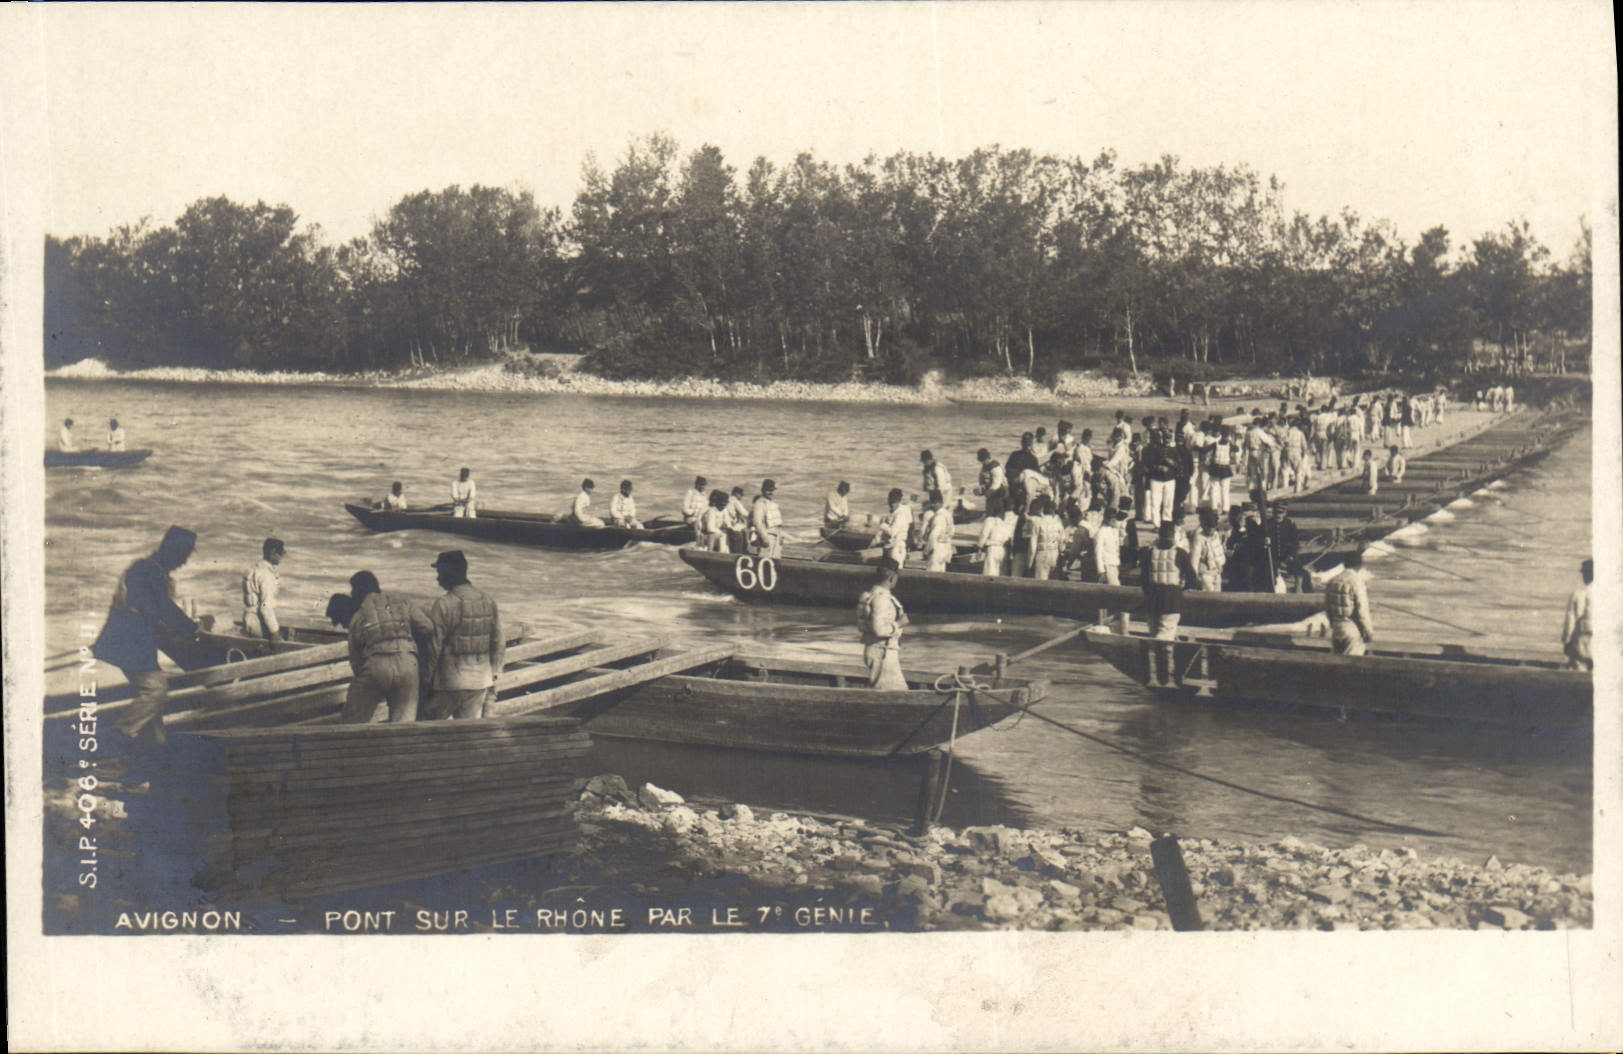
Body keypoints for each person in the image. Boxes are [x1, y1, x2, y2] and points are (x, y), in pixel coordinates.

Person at [91, 526, 204, 751]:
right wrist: (191, 629)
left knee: (153, 694)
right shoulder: (148, 571)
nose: (184, 562)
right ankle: (119, 736)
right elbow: (163, 608)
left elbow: (155, 610)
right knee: (156, 690)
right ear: (172, 551)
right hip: (127, 643)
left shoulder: (150, 569)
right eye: (183, 556)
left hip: (134, 642)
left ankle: (155, 747)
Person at [419, 550, 505, 720]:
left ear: (450, 572)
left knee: (427, 727)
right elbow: (498, 641)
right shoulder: (488, 601)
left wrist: (426, 680)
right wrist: (494, 673)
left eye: (440, 572)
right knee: (467, 733)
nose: (437, 578)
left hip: (449, 683)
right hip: (480, 681)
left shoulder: (444, 604)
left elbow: (433, 647)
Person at [339, 571, 421, 724]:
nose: (351, 593)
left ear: (359, 590)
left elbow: (356, 660)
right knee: (403, 725)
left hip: (377, 664)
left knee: (353, 721)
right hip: (409, 664)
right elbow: (428, 628)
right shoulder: (402, 602)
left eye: (353, 589)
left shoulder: (360, 614)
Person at [857, 559, 909, 690]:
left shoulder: (870, 595)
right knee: (896, 693)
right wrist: (899, 624)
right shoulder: (881, 599)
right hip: (883, 652)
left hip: (878, 649)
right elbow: (879, 630)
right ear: (892, 577)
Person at [1141, 521, 1193, 639]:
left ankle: (1153, 655)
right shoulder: (1180, 553)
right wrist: (1182, 590)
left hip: (1153, 598)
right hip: (1171, 599)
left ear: (1159, 535)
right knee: (1166, 635)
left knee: (1153, 633)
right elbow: (1191, 577)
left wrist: (1148, 593)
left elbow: (1143, 579)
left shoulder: (1149, 553)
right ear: (1173, 535)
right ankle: (1165, 656)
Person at [1324, 553, 1375, 655]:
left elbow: (1327, 607)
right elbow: (1362, 610)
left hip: (1336, 629)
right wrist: (1368, 632)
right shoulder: (1357, 582)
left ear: (1344, 564)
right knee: (1352, 666)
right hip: (1352, 629)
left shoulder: (1332, 581)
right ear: (1360, 566)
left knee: (1338, 665)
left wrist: (1332, 623)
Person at [242, 537, 286, 645]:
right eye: (280, 552)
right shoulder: (267, 575)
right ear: (272, 553)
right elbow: (266, 608)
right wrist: (275, 633)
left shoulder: (254, 569)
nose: (282, 556)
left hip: (248, 620)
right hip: (259, 623)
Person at [1562, 559, 1593, 670]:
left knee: (1579, 668)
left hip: (1583, 642)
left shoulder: (1579, 594)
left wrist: (1566, 641)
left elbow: (1570, 621)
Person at [1027, 494, 1066, 580]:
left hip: (1042, 553)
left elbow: (1033, 545)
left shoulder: (1038, 522)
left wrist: (1030, 562)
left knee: (1041, 582)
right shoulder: (1058, 524)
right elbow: (1062, 542)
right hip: (1054, 554)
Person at [872, 487, 913, 566]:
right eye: (890, 502)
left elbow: (892, 532)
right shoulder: (896, 513)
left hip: (896, 548)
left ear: (898, 501)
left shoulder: (900, 514)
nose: (891, 505)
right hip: (892, 547)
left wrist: (882, 525)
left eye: (893, 502)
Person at [919, 490, 957, 573]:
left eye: (933, 503)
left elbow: (934, 535)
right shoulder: (948, 514)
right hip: (945, 548)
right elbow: (952, 532)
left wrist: (927, 550)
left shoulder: (938, 517)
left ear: (937, 503)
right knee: (941, 571)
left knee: (932, 571)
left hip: (937, 549)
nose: (932, 506)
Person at [1191, 507, 1227, 591]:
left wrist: (1220, 565)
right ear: (1204, 526)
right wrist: (1194, 575)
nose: (1211, 530)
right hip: (1205, 573)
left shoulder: (1216, 535)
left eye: (1213, 527)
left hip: (1217, 572)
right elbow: (1195, 558)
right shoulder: (1199, 538)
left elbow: (1219, 552)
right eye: (1209, 527)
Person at [978, 507, 1018, 576]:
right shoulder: (1008, 524)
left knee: (990, 572)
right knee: (1001, 572)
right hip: (1003, 549)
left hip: (992, 548)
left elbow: (984, 534)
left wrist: (980, 547)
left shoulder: (990, 520)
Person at [751, 479, 784, 558]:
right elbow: (758, 523)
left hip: (776, 537)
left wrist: (780, 537)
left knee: (775, 561)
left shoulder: (773, 504)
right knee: (764, 561)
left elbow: (778, 524)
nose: (770, 493)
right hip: (767, 537)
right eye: (768, 490)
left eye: (772, 490)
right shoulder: (759, 503)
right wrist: (764, 538)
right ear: (763, 490)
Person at [1093, 508, 1126, 585]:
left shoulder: (1114, 531)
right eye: (1111, 518)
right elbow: (1098, 552)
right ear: (1106, 519)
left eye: (1115, 518)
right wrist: (1101, 570)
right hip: (1107, 566)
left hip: (1114, 565)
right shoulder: (1101, 532)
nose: (1114, 520)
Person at [976, 448, 1008, 516]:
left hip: (999, 492)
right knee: (990, 514)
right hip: (990, 493)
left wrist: (988, 492)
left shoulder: (994, 466)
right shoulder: (985, 466)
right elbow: (983, 480)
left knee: (996, 514)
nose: (983, 462)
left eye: (984, 460)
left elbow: (997, 483)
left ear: (988, 457)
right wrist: (981, 489)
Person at [723, 486, 751, 554]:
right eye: (741, 495)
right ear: (736, 494)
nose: (741, 497)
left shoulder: (728, 500)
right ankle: (744, 551)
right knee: (744, 531)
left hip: (726, 524)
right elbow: (745, 513)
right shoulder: (735, 501)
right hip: (733, 526)